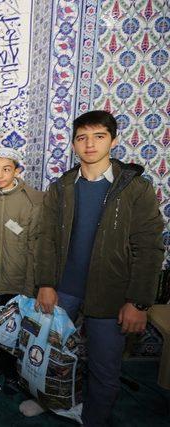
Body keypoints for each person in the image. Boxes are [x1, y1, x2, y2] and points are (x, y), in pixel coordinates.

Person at [22, 110, 165, 425]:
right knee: (49, 352)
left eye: (99, 136)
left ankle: (95, 418)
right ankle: (48, 399)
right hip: (65, 288)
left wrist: (138, 302)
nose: (90, 144)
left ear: (113, 141)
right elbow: (46, 238)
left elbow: (149, 247)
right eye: (82, 137)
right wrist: (45, 283)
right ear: (73, 144)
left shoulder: (134, 188)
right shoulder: (62, 187)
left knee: (103, 366)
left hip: (112, 294)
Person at [0, 147, 43, 394]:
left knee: (14, 331)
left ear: (17, 170)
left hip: (17, 282)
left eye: (6, 169)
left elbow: (34, 247)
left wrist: (29, 288)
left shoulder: (31, 201)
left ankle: (14, 375)